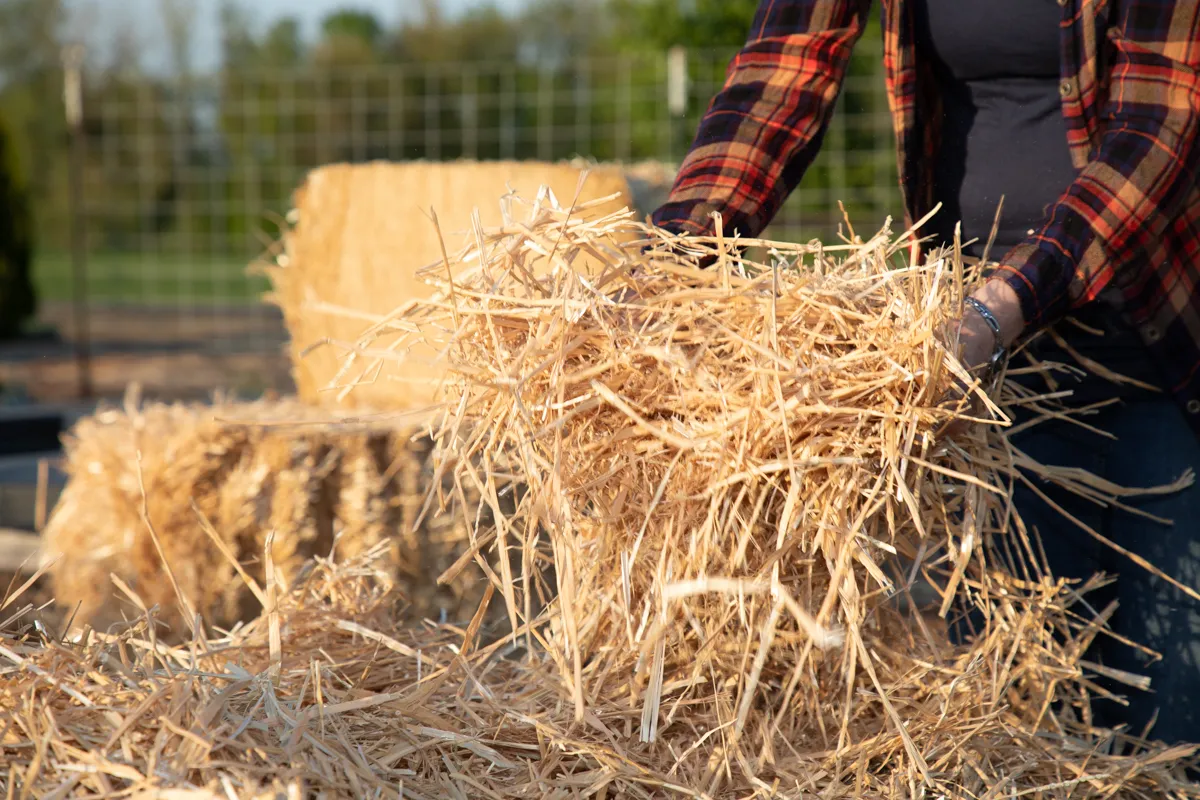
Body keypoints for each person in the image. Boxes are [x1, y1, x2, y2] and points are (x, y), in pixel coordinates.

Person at [649, 0, 1200, 744]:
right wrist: (674, 261)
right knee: (1027, 720)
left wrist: (1006, 300)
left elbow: (1162, 123)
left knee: (1175, 713)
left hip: (1159, 340)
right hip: (991, 377)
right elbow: (781, 69)